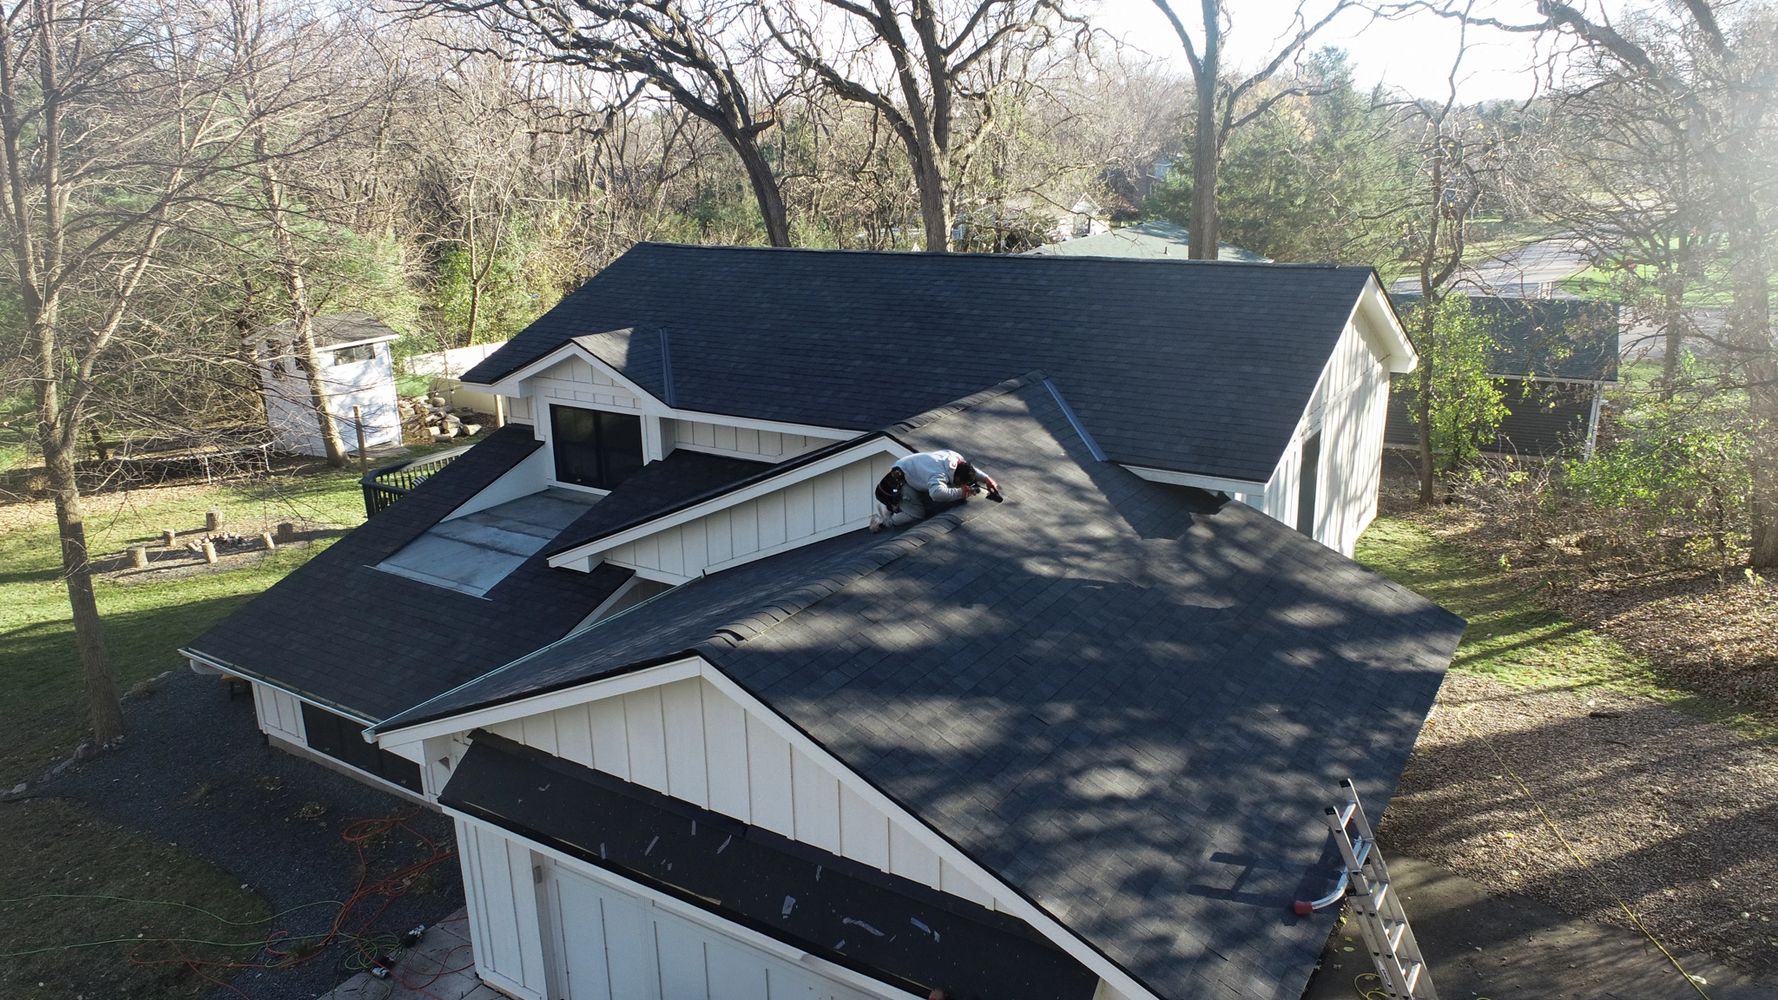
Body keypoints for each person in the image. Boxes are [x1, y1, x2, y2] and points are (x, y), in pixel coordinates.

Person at [872, 449, 1000, 530]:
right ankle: (884, 520)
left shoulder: (955, 458)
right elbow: (936, 494)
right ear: (959, 479)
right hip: (902, 482)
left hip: (908, 468)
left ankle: (893, 508)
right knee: (917, 514)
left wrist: (986, 479)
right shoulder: (938, 475)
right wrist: (962, 492)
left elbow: (968, 469)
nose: (964, 485)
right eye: (962, 483)